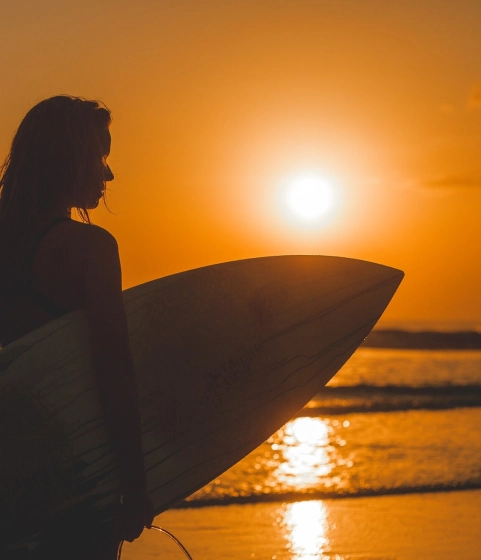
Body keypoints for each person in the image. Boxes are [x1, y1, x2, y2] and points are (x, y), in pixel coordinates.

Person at [0, 95, 154, 559]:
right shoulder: (91, 248)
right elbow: (114, 371)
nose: (107, 175)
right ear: (67, 162)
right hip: (72, 474)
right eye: (100, 158)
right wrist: (135, 484)